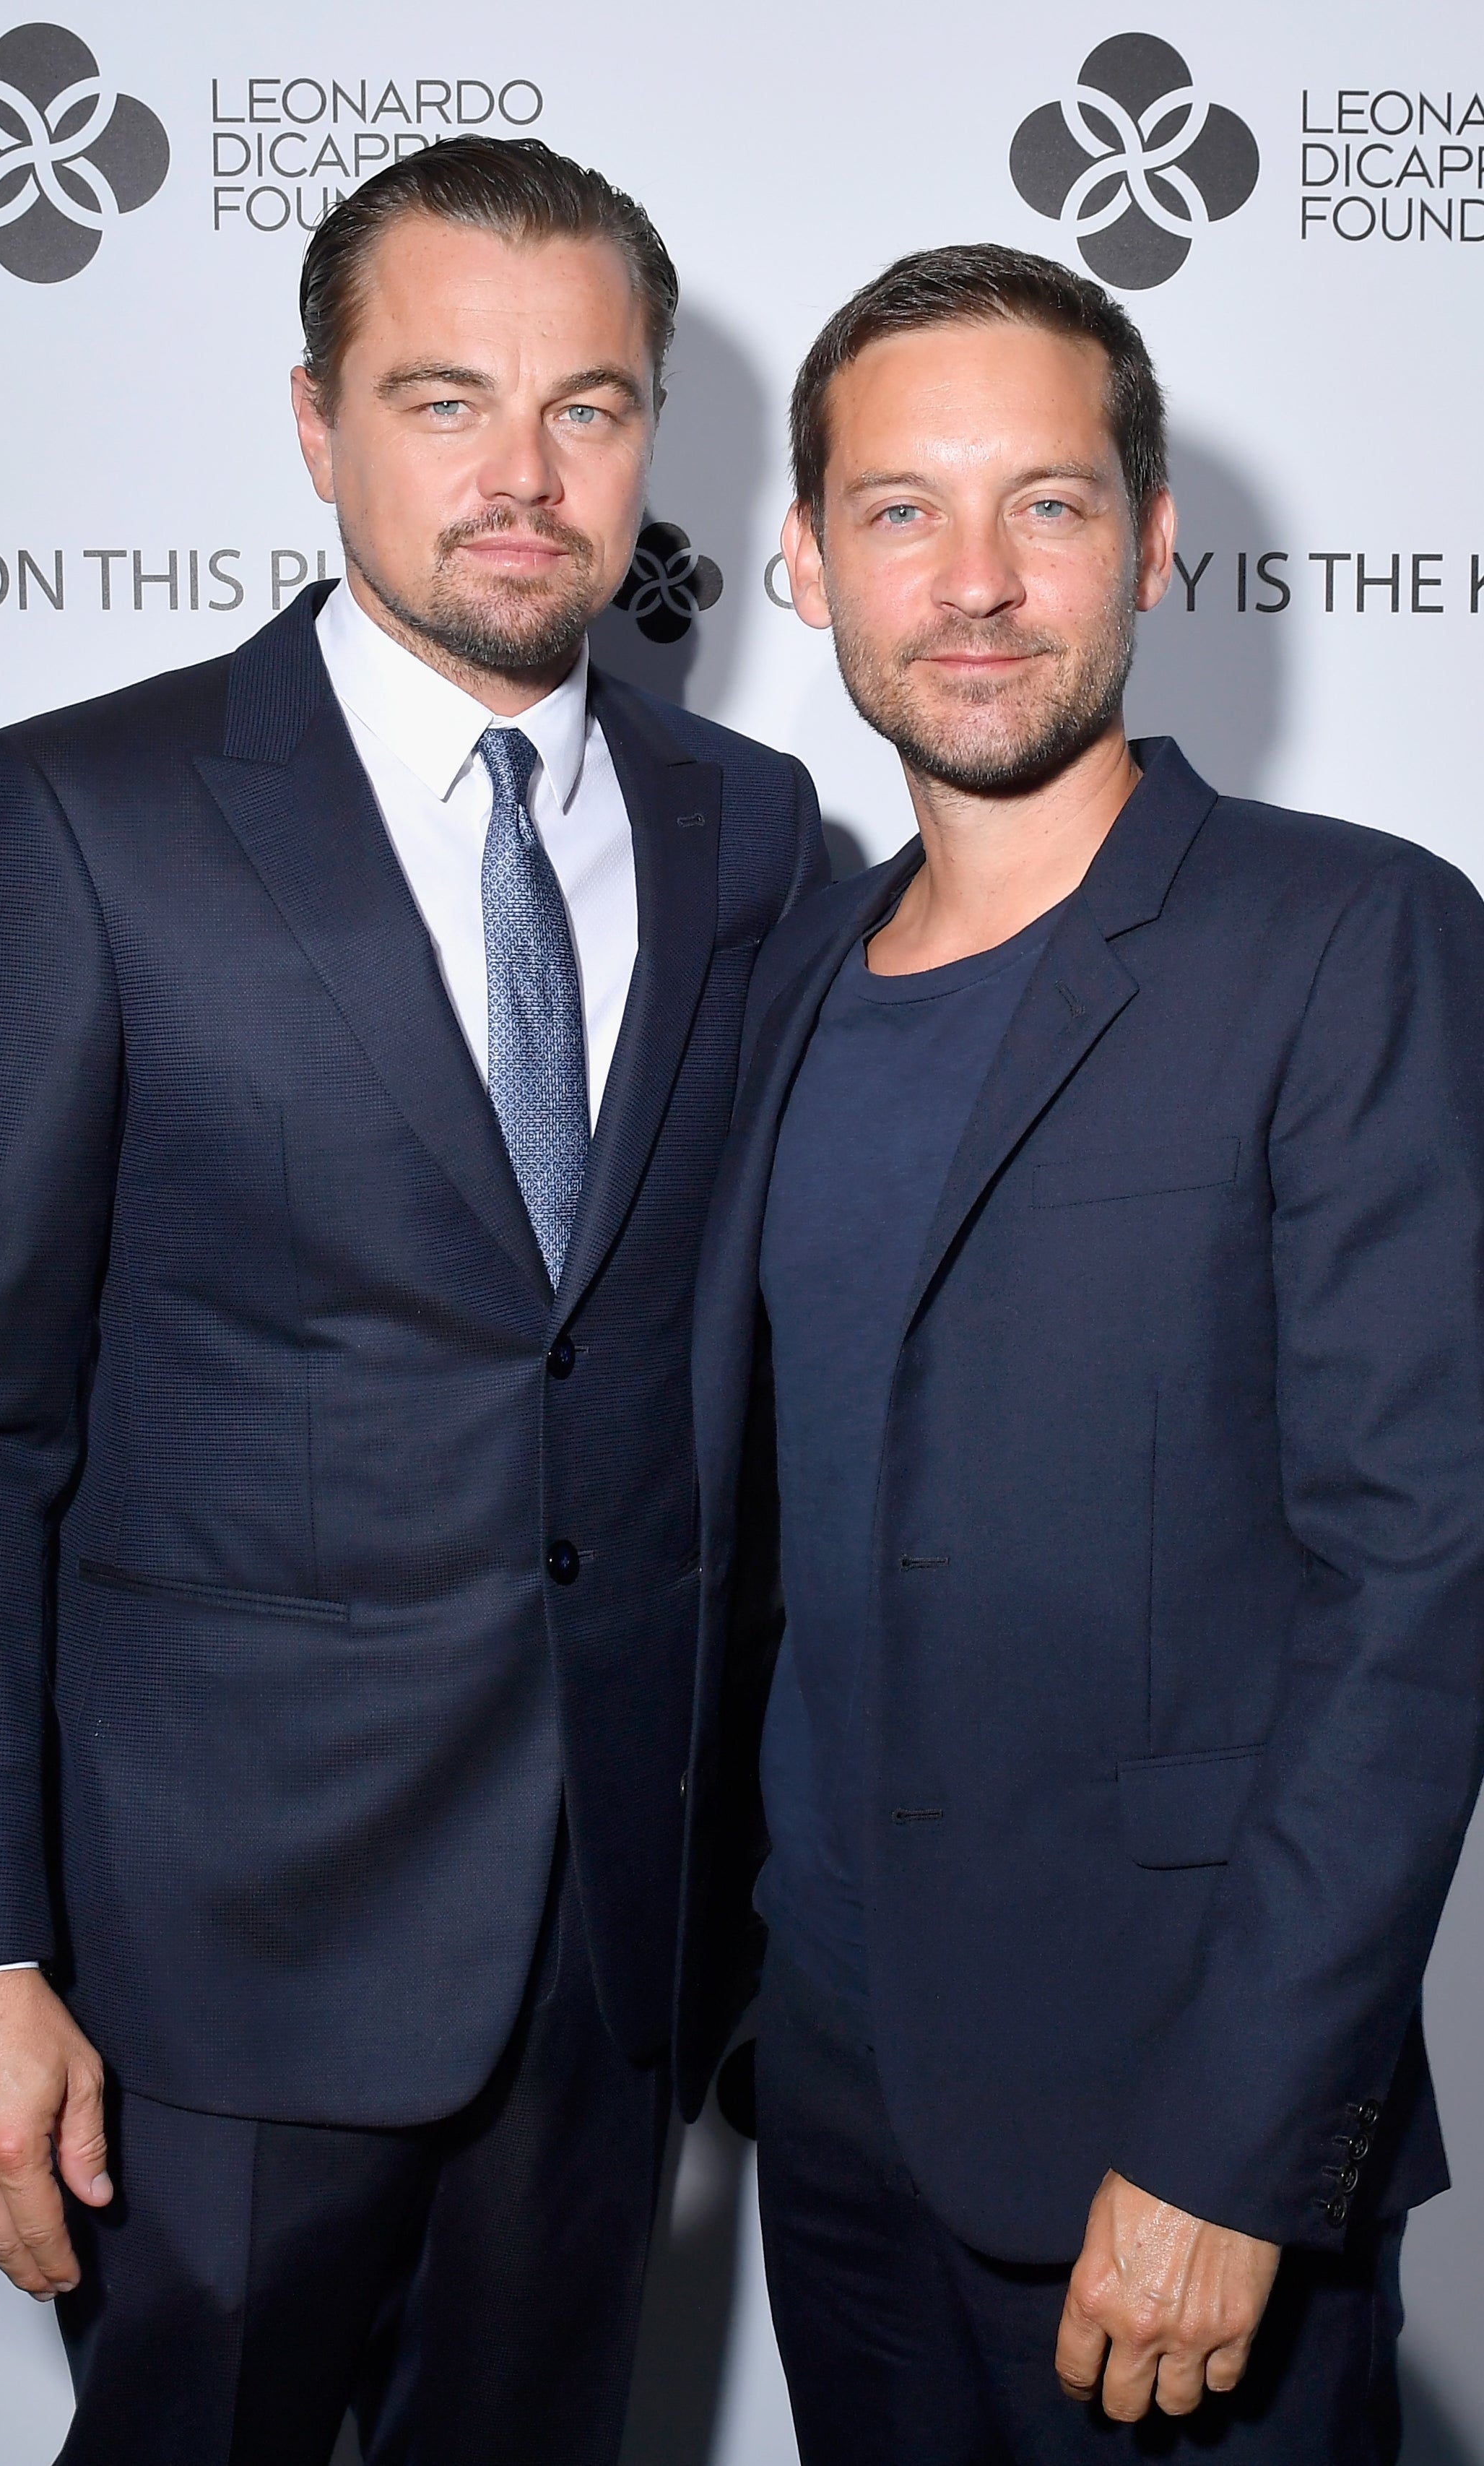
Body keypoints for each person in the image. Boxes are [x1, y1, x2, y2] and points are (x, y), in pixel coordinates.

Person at [0, 135, 824, 2466]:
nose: (523, 477)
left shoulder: (752, 830)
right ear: (316, 426)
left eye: (585, 407)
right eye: (444, 400)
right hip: (204, 1974)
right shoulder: (80, 816)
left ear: (649, 438)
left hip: (610, 1960)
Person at [675, 243, 1484, 2462]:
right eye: (900, 509)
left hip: (1166, 2139)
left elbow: (1420, 1580)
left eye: (1042, 502)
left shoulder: (1350, 937)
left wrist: (1239, 2143)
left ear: (1147, 540)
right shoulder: (785, 972)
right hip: (826, 2111)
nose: (973, 580)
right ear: (805, 561)